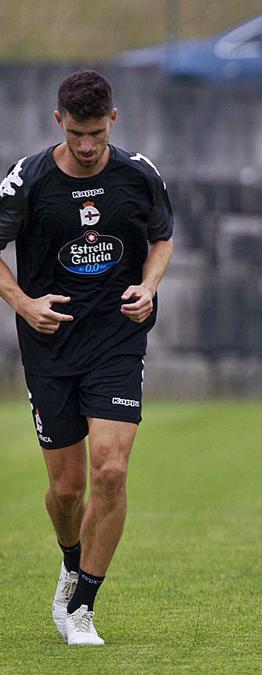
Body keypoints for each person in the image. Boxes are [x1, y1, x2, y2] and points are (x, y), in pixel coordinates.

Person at [0, 70, 174, 645]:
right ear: (59, 123)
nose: (86, 146)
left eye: (96, 133)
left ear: (113, 121)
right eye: (76, 133)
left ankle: (82, 606)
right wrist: (23, 303)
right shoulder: (28, 180)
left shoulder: (139, 174)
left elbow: (162, 238)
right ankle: (70, 560)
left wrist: (149, 286)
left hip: (117, 343)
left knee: (111, 470)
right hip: (50, 347)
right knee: (68, 490)